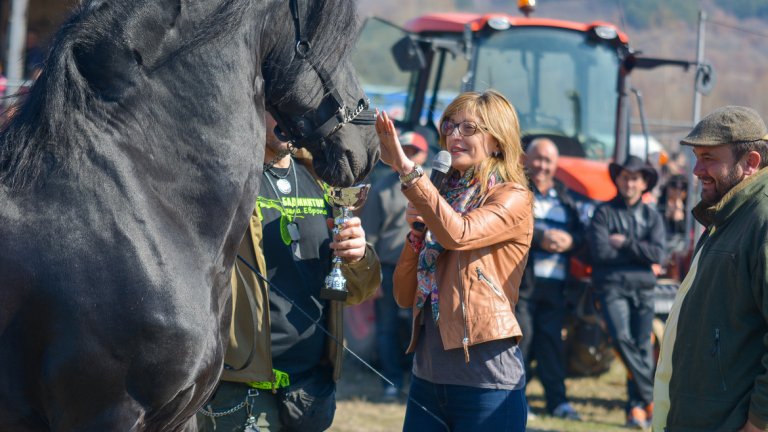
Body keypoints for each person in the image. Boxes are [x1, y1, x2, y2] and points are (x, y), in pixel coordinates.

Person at [197, 114, 381, 432]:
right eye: (275, 107)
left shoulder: (322, 182)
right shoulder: (229, 178)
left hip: (310, 385)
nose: (285, 116)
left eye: (291, 107)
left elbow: (356, 291)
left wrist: (358, 255)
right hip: (242, 382)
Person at [376, 89, 533, 431]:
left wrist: (407, 170)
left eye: (468, 128)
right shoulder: (438, 198)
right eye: (449, 124)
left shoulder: (513, 198)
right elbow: (404, 295)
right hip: (426, 380)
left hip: (486, 384)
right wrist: (417, 234)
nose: (453, 135)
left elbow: (459, 234)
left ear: (497, 141)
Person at [653, 106, 768, 432]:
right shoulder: (729, 212)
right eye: (696, 156)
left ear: (751, 163)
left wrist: (758, 423)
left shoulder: (762, 218)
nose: (696, 169)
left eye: (709, 158)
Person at [587, 155, 665, 429]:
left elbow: (658, 253)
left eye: (635, 178)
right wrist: (639, 254)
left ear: (644, 183)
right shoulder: (603, 213)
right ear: (618, 179)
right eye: (625, 177)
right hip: (612, 287)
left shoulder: (652, 216)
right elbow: (600, 253)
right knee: (621, 340)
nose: (629, 183)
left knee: (643, 348)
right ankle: (652, 398)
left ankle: (636, 410)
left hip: (643, 289)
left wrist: (625, 243)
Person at [516, 138, 584, 420]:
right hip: (523, 287)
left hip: (555, 288)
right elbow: (508, 228)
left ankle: (557, 402)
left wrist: (570, 241)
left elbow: (583, 237)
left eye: (548, 161)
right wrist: (540, 237)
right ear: (526, 160)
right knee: (522, 342)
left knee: (552, 344)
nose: (543, 165)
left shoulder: (566, 198)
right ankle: (517, 400)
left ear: (556, 166)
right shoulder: (517, 192)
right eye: (538, 158)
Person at [361, 131, 429, 402]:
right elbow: (370, 236)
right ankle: (391, 381)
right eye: (406, 150)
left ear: (425, 155)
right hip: (389, 268)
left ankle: (419, 379)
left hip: (425, 266)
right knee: (387, 326)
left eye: (416, 151)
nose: (410, 156)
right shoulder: (382, 188)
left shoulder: (434, 186)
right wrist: (372, 277)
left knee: (422, 327)